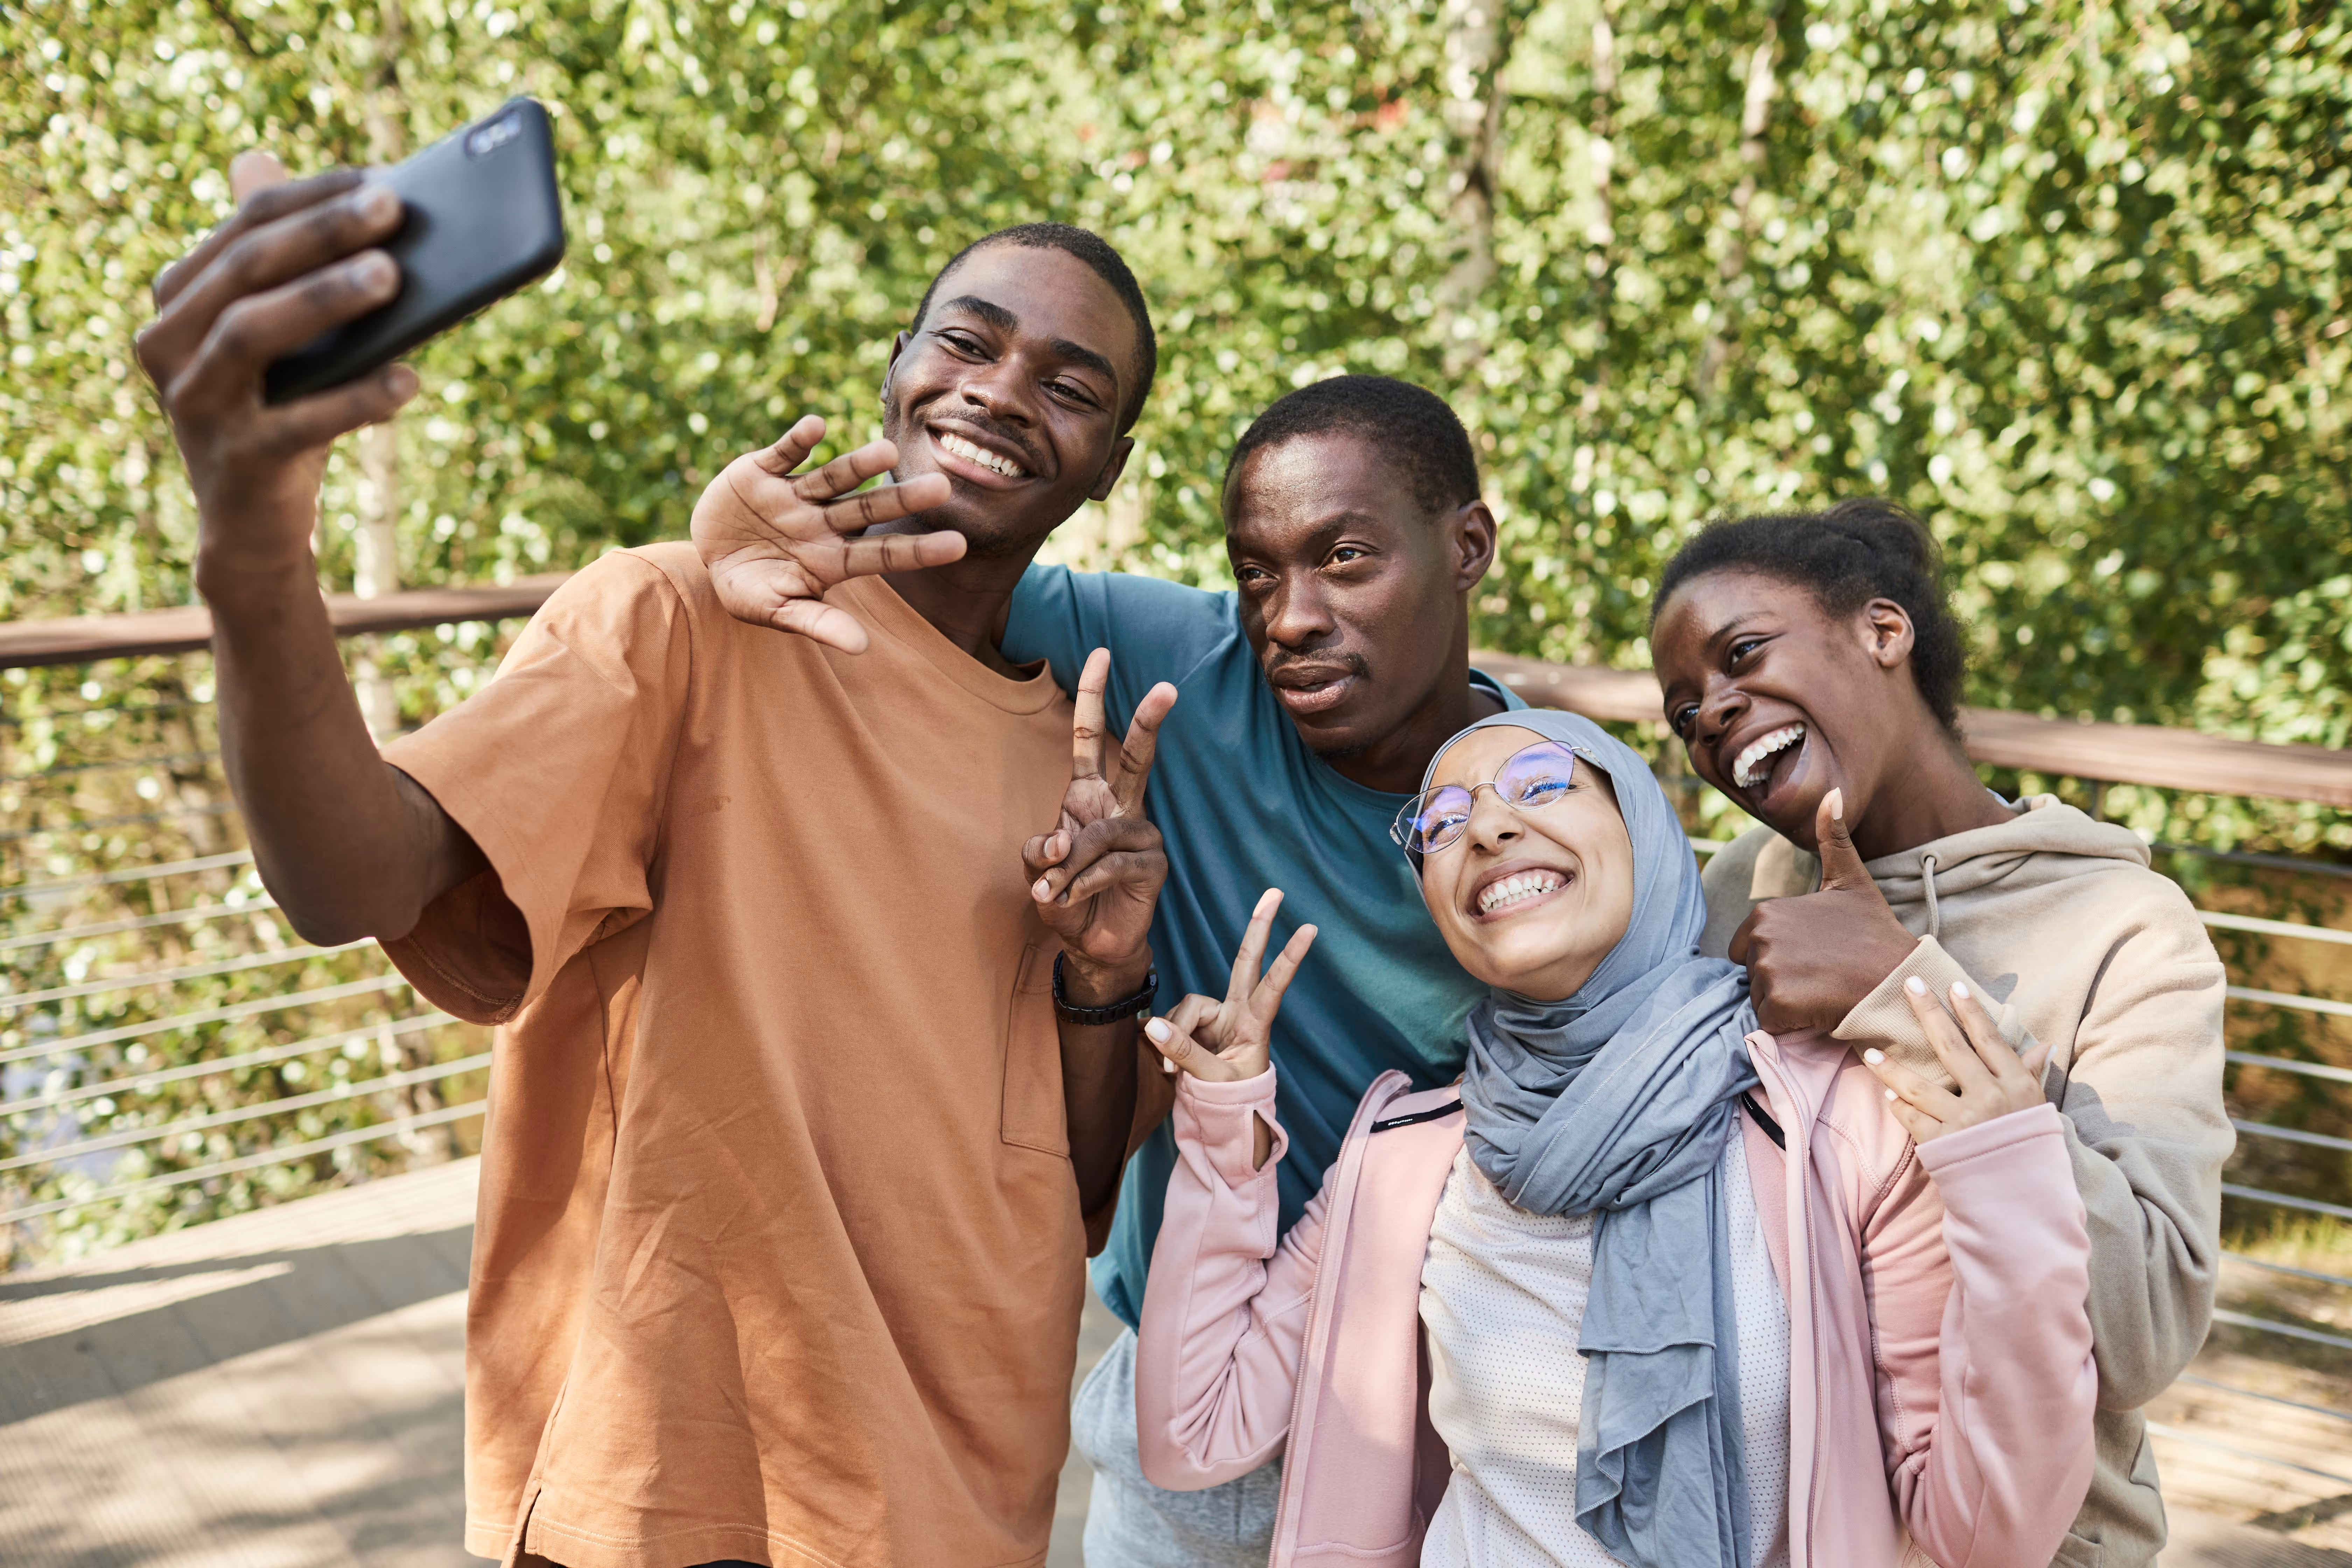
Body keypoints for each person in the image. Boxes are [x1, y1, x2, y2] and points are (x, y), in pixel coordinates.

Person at [138, 166, 1182, 1568]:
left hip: (967, 1495)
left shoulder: (1083, 760)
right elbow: (350, 881)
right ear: (897, 368)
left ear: (1109, 463)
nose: (1002, 390)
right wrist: (254, 533)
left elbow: (1068, 1179)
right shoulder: (683, 616)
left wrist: (1109, 971)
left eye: (1071, 383)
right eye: (969, 340)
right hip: (674, 1484)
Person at [700, 374, 1529, 1565]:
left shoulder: (1545, 812)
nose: (1289, 615)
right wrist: (735, 542)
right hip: (1190, 1411)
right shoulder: (1170, 664)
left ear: (1469, 547)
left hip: (1448, 1418)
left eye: (1347, 560)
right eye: (1257, 571)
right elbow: (938, 569)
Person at [1132, 709, 2101, 1568]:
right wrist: (1227, 1128)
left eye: (1542, 784)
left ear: (1641, 827)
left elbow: (1988, 1537)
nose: (1490, 827)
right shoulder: (1405, 1160)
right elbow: (1194, 1430)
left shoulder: (1834, 1125)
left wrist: (2009, 1178)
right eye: (1441, 823)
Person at [1647, 500, 2233, 1568]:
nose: (1713, 717)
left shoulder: (2125, 928)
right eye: (1684, 715)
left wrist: (1903, 997)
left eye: (1742, 655)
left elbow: (2145, 1330)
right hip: (1770, 1523)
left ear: (1883, 631)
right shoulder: (1737, 890)